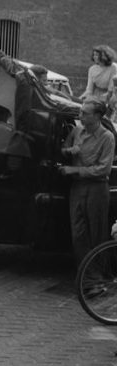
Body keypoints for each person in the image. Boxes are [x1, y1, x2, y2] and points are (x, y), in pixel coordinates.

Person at [60, 99, 116, 266]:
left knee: (96, 232)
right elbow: (62, 149)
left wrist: (75, 170)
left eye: (85, 113)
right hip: (77, 188)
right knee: (78, 233)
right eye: (81, 112)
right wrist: (69, 151)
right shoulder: (77, 131)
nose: (80, 116)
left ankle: (99, 274)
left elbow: (104, 169)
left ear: (97, 116)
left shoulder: (107, 137)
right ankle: (86, 272)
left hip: (96, 188)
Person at [80, 45, 117, 113]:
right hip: (95, 95)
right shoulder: (92, 69)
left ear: (104, 56)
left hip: (110, 97)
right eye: (94, 55)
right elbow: (89, 90)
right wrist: (83, 98)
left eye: (97, 55)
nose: (94, 57)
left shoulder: (113, 67)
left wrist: (101, 100)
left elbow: (110, 90)